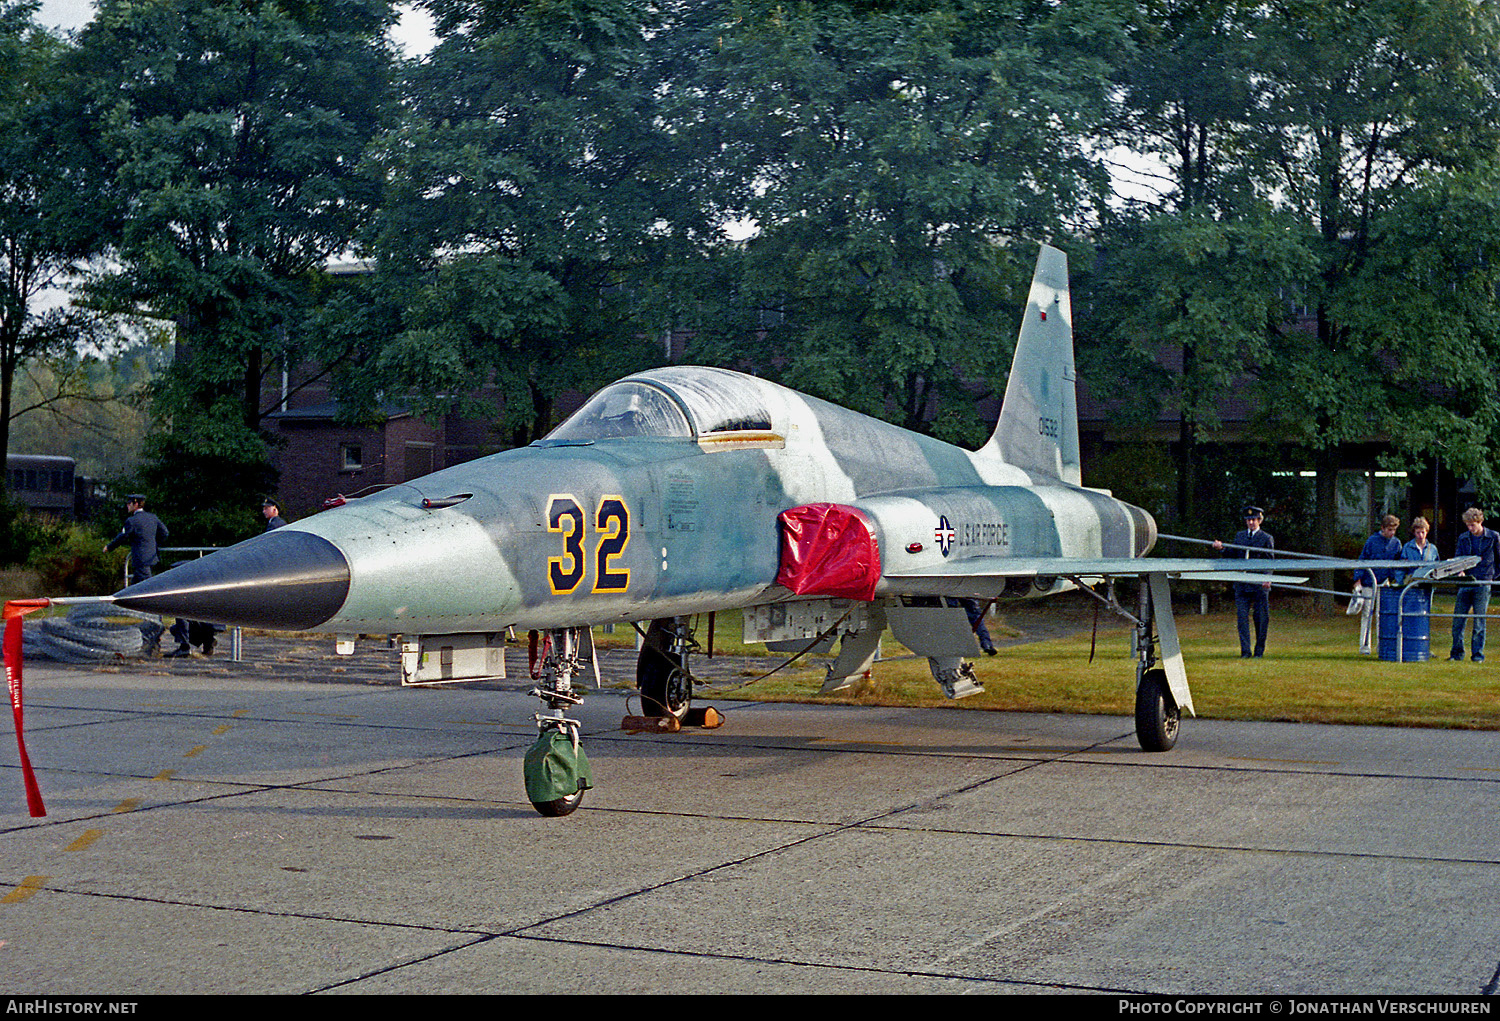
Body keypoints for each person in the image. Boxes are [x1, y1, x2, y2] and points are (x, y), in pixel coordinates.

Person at [1213, 505, 1274, 658]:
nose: (1251, 523)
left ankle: (1259, 652)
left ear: (1259, 520)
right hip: (1242, 584)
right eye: (1248, 520)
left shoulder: (1266, 538)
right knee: (1242, 619)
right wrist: (1221, 548)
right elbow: (1233, 555)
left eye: (1254, 520)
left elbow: (1270, 562)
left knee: (1261, 619)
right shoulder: (1240, 536)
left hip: (1259, 584)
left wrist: (1267, 578)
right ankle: (1245, 652)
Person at [1450, 508, 1500, 663]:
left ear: (1480, 522)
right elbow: (1458, 558)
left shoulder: (1493, 537)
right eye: (1468, 525)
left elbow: (1499, 559)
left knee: (1479, 621)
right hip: (1466, 582)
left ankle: (1477, 655)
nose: (1470, 528)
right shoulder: (1463, 538)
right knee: (1458, 621)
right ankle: (1456, 654)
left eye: (1473, 525)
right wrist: (1460, 571)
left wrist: (1492, 576)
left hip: (1483, 582)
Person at [103, 494, 169, 585]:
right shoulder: (152, 517)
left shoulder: (132, 521)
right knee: (135, 585)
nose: (127, 505)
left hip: (141, 559)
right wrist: (153, 543)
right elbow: (165, 533)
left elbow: (122, 537)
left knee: (147, 586)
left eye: (129, 503)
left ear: (136, 504)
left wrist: (109, 547)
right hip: (153, 557)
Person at [1355, 515, 1403, 589]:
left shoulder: (1396, 543)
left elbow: (1398, 563)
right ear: (1382, 528)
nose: (1392, 532)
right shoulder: (1372, 541)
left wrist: (1394, 579)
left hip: (1386, 584)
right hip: (1369, 582)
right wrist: (1358, 579)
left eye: (1394, 530)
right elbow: (1362, 559)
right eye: (1390, 530)